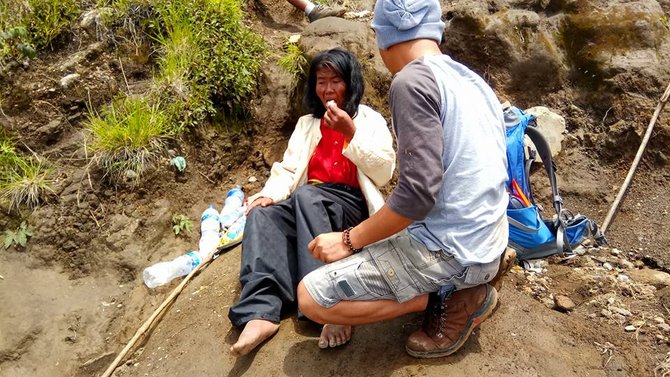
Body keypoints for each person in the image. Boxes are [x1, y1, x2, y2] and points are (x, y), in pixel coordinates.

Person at [297, 0, 515, 358]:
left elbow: (416, 195)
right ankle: (472, 277)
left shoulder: (410, 82)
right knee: (375, 236)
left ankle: (451, 299)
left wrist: (348, 241)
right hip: (489, 238)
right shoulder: (472, 81)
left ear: (383, 38)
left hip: (454, 249)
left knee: (312, 298)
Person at [228, 48, 395, 356]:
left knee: (307, 195)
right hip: (308, 202)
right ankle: (259, 312)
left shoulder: (370, 120)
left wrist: (350, 133)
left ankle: (330, 304)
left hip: (349, 205)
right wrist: (268, 195)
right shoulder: (307, 124)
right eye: (321, 81)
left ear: (351, 83)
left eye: (336, 81)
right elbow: (289, 169)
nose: (328, 89)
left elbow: (384, 172)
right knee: (263, 216)